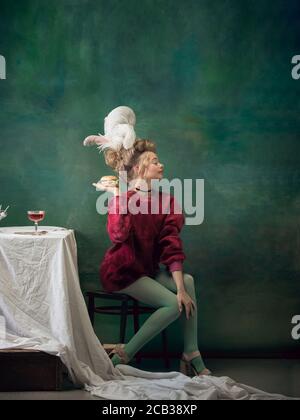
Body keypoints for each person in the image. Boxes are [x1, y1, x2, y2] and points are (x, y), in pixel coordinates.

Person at [84, 106, 210, 376]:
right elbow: (117, 235)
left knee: (187, 283)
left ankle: (191, 351)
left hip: (148, 270)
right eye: (154, 161)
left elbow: (171, 246)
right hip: (123, 271)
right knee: (170, 306)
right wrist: (118, 196)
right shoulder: (123, 199)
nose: (160, 164)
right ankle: (123, 357)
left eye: (158, 160)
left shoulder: (168, 202)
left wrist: (180, 288)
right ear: (140, 167)